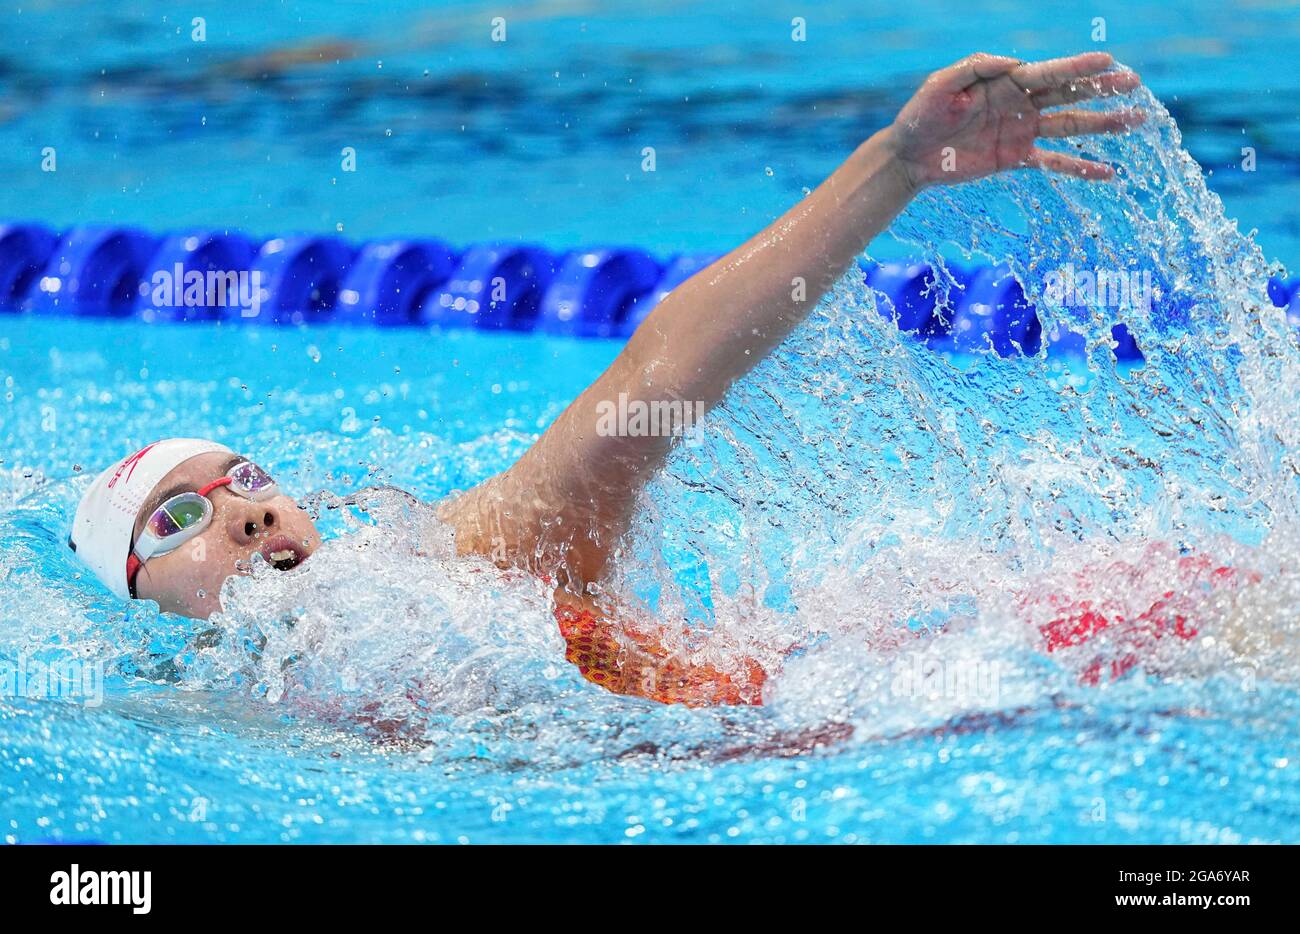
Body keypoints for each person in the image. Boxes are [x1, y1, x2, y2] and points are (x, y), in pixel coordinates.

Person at [70, 52, 1151, 707]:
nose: (246, 510)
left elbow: (648, 384)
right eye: (180, 516)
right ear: (135, 592)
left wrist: (896, 166)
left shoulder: (438, 570)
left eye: (243, 478)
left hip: (936, 698)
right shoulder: (196, 712)